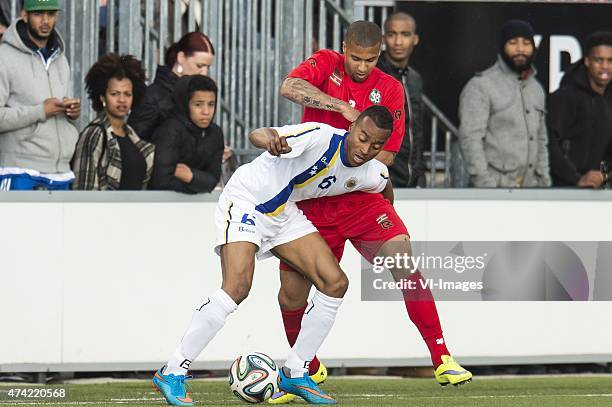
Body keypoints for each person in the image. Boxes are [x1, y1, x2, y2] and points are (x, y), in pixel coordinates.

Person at [271, 20, 471, 404]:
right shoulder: (326, 63)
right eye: (356, 57)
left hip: (359, 195)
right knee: (291, 297)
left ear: (380, 55)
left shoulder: (391, 89)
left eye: (371, 59)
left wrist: (354, 142)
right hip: (311, 200)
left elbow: (389, 154)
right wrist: (342, 109)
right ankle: (303, 368)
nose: (362, 66)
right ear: (344, 47)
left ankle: (441, 356)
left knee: (404, 261)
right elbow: (288, 87)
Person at [153, 106, 395, 406]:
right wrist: (270, 140)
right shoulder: (319, 136)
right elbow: (259, 133)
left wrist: (383, 224)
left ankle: (295, 371)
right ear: (353, 127)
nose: (366, 149)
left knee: (335, 283)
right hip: (247, 200)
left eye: (376, 145)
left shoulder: (371, 169)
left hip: (284, 212)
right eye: (363, 138)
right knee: (237, 288)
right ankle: (172, 371)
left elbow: (384, 188)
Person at [458, 19, 551, 188]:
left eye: (526, 43)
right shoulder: (481, 85)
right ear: (502, 47)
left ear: (533, 48)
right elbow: (470, 138)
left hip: (532, 190)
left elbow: (541, 139)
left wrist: (544, 180)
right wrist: (485, 184)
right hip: (494, 190)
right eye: (513, 42)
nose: (520, 49)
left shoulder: (536, 88)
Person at [0, 0, 81, 191]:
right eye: (38, 14)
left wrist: (72, 113)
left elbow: (60, 111)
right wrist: (40, 111)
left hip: (60, 172)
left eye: (51, 14)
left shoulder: (61, 58)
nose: (45, 20)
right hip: (18, 171)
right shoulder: (4, 57)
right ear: (24, 15)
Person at [72, 54, 155, 190]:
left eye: (127, 94)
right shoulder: (95, 134)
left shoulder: (133, 136)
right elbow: (84, 190)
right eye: (115, 94)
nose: (122, 100)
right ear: (102, 97)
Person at [547, 31, 612, 188]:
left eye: (610, 61)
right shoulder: (566, 96)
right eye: (599, 60)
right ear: (587, 61)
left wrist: (607, 174)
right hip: (566, 190)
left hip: (602, 191)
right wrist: (576, 178)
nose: (605, 66)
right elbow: (547, 141)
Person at [128, 31, 215, 142]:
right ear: (181, 57)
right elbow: (132, 144)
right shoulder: (154, 96)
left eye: (208, 67)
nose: (204, 73)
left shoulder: (192, 96)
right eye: (200, 66)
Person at [150, 75, 223, 194]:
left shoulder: (215, 133)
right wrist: (199, 185)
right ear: (185, 103)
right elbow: (161, 181)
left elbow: (213, 180)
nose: (206, 112)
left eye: (211, 104)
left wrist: (191, 176)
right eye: (198, 104)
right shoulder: (169, 130)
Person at [377, 11, 426, 187]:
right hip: (380, 179)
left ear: (415, 39)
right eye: (392, 34)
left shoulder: (415, 79)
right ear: (383, 39)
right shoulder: (374, 75)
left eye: (405, 34)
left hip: (412, 179)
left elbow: (416, 130)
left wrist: (419, 174)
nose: (398, 42)